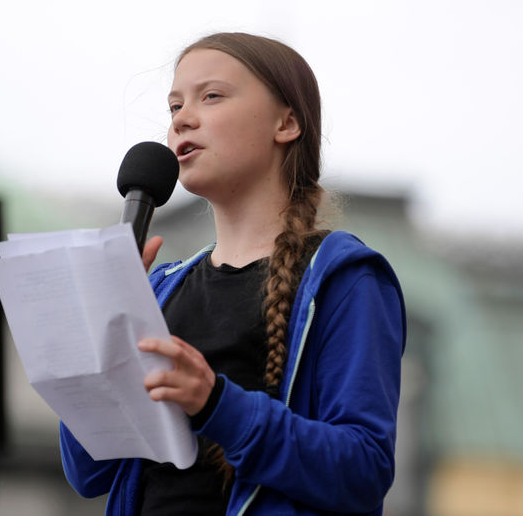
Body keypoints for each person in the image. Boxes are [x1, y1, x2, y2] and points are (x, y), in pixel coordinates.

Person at [59, 32, 406, 515]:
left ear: (286, 123)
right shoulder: (162, 289)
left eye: (212, 96)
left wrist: (218, 405)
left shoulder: (344, 279)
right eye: (174, 106)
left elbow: (363, 471)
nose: (182, 117)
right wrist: (102, 336)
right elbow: (89, 472)